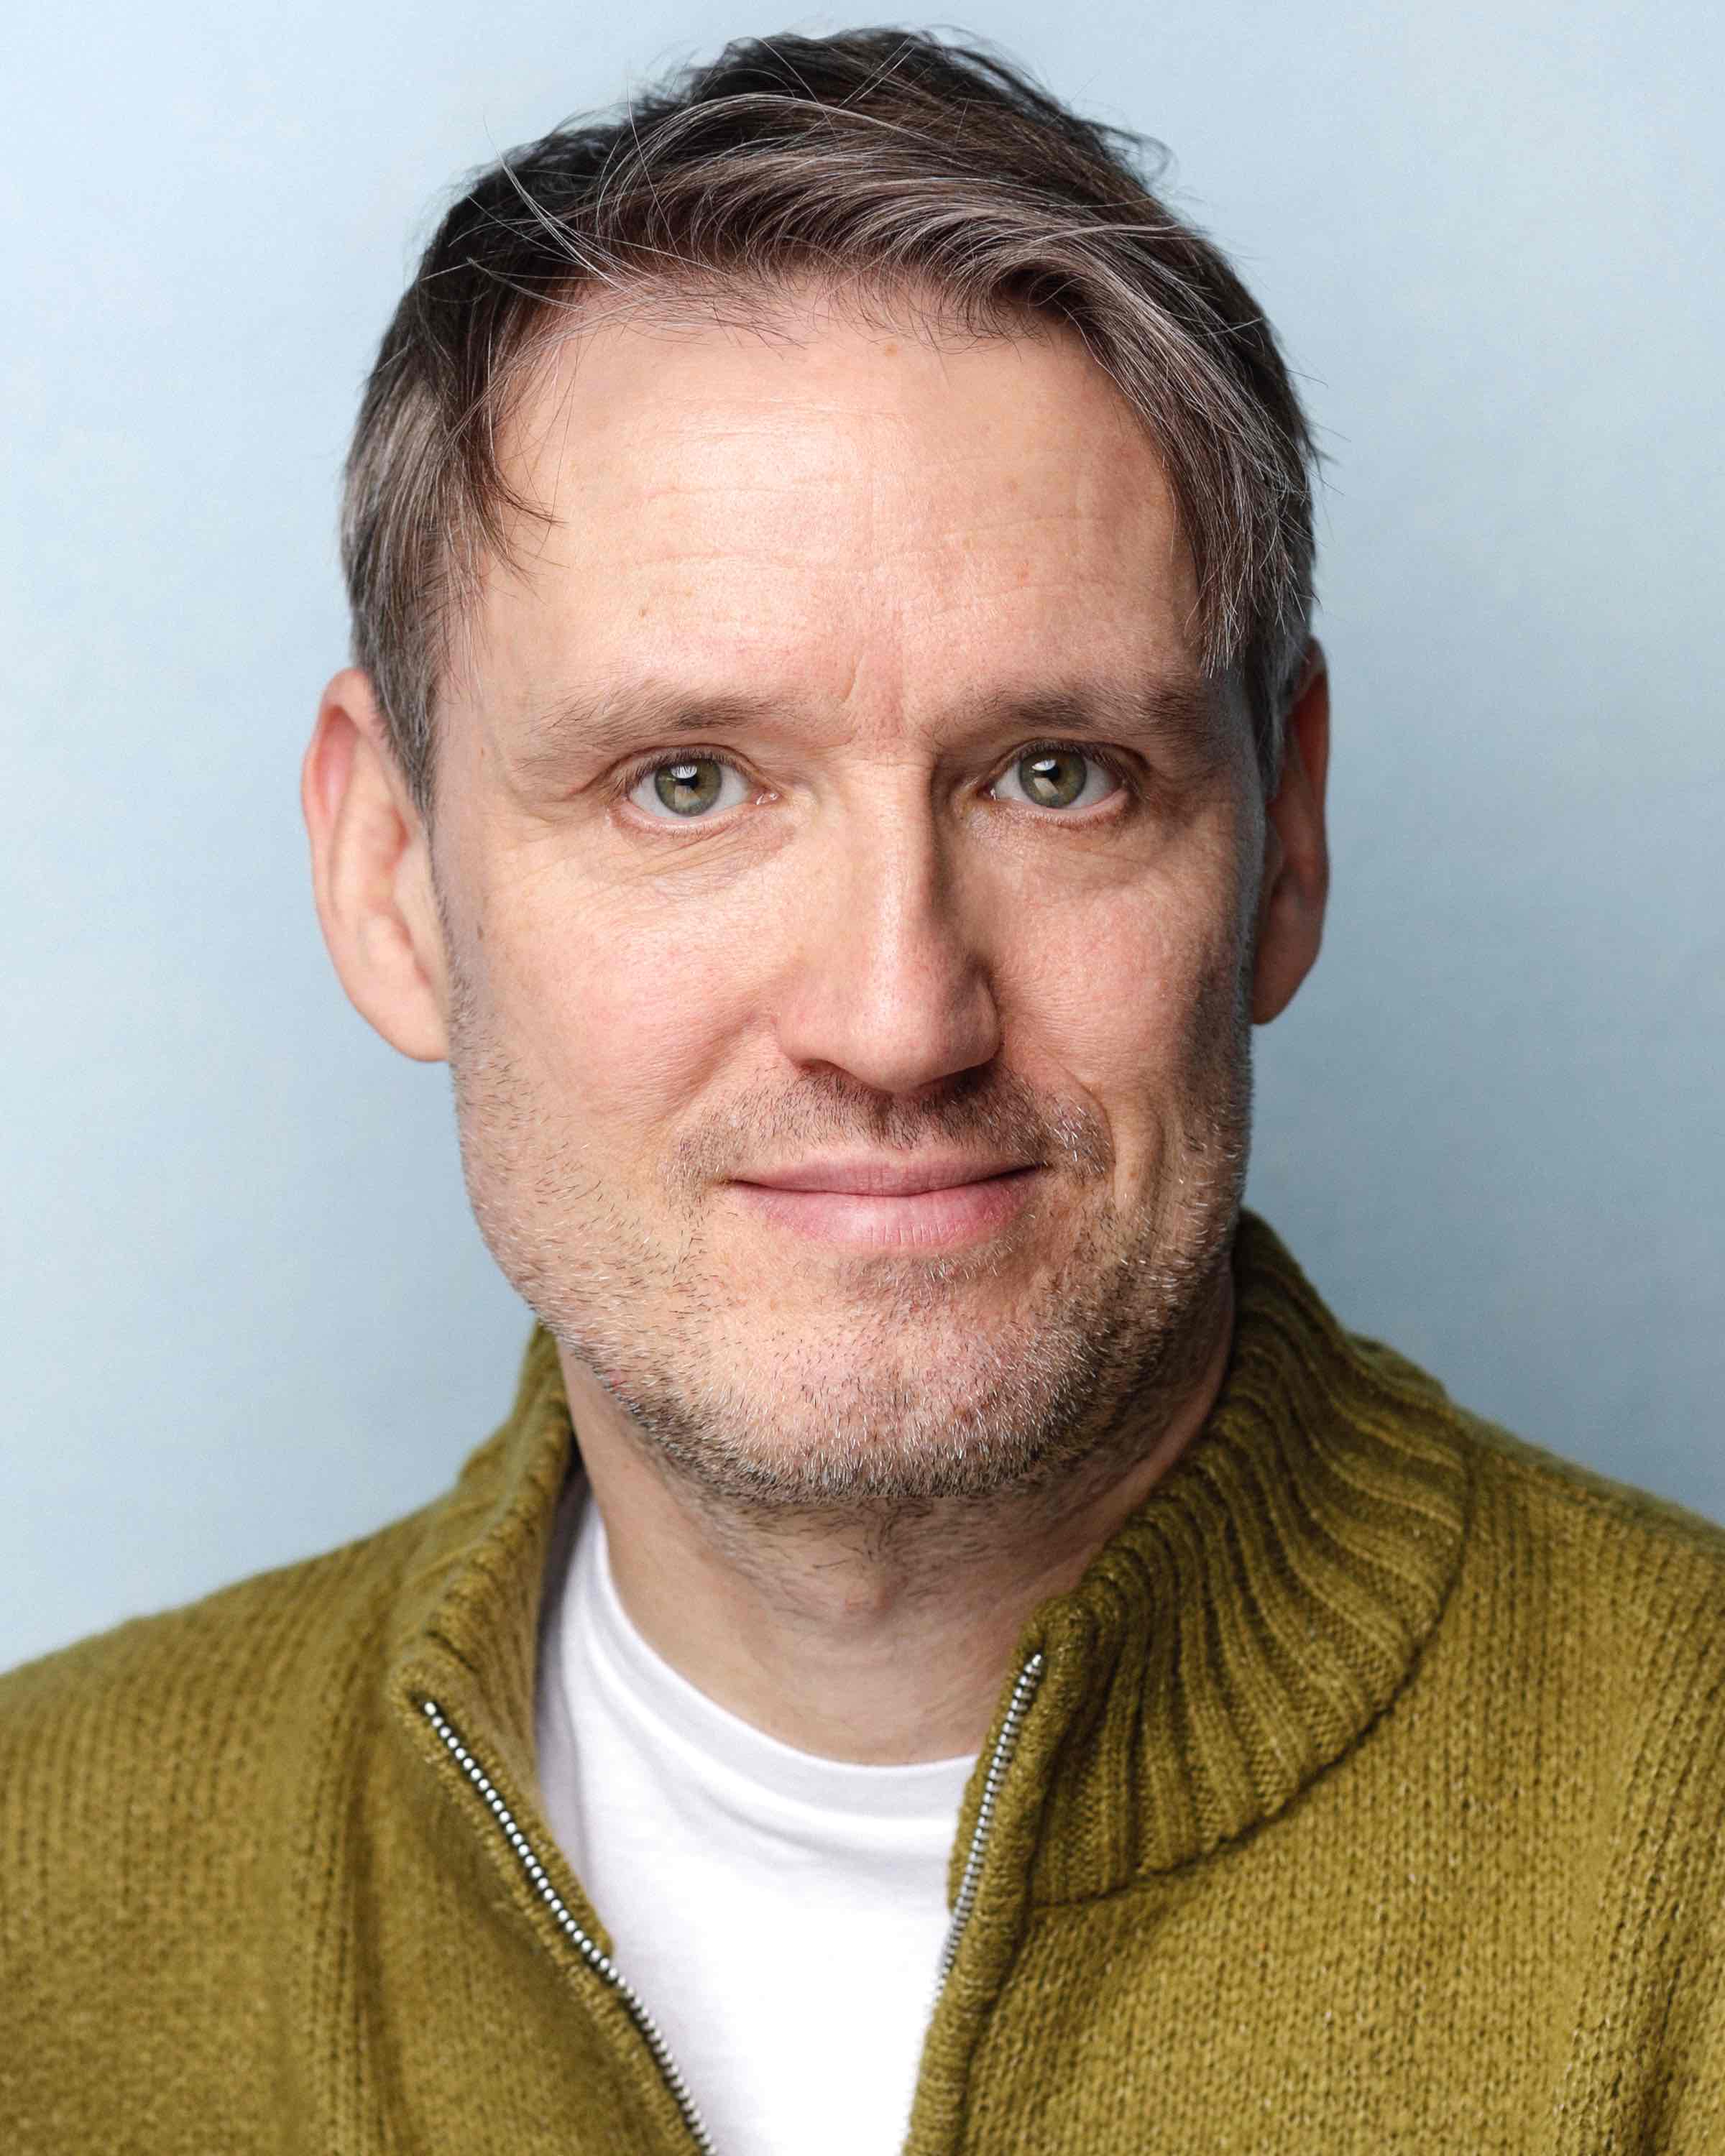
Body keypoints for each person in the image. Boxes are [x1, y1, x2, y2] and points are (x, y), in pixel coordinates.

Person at [4, 25, 1723, 2154]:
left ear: (1283, 842)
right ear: (390, 878)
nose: (901, 1019)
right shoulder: (34, 1918)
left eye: (1056, 776)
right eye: (688, 784)